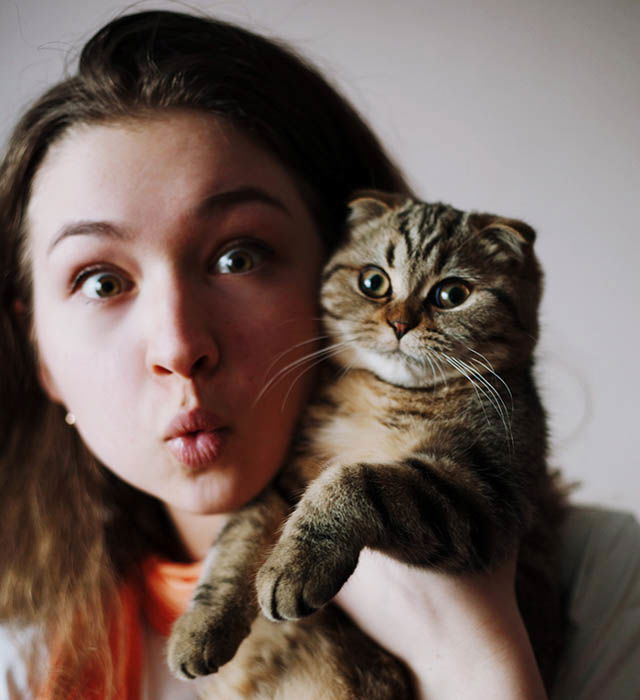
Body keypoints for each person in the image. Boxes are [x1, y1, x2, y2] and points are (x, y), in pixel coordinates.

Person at [0, 9, 638, 700]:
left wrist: (480, 664)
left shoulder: (608, 581)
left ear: (327, 255)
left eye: (238, 256)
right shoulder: (22, 670)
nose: (180, 346)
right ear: (40, 351)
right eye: (101, 282)